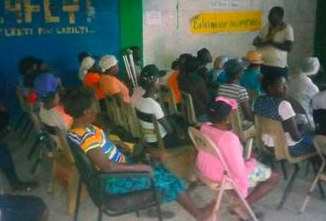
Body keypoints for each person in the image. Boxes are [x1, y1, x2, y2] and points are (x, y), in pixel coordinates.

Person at [63, 87, 216, 221]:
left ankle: (177, 200)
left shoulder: (77, 130)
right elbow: (108, 166)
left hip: (117, 168)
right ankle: (199, 215)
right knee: (167, 179)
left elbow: (99, 147)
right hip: (113, 181)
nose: (96, 109)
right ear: (86, 112)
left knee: (159, 167)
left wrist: (115, 144)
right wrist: (142, 167)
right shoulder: (86, 137)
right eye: (93, 106)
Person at [196, 97, 279, 220]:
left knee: (247, 159)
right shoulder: (228, 138)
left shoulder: (204, 127)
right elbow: (239, 173)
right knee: (275, 176)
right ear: (229, 117)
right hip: (221, 175)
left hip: (205, 169)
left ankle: (238, 203)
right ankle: (242, 206)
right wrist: (251, 162)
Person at [253, 73, 314, 156]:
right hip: (285, 148)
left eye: (286, 84)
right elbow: (296, 138)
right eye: (282, 86)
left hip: (265, 142)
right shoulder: (283, 105)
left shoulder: (258, 100)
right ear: (270, 88)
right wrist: (305, 128)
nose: (286, 87)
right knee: (315, 142)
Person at [133, 65, 189, 148]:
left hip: (147, 138)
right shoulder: (154, 105)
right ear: (154, 82)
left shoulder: (138, 100)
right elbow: (169, 131)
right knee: (187, 138)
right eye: (159, 80)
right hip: (159, 141)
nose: (161, 83)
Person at [253, 6, 294, 78]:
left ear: (280, 17)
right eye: (269, 14)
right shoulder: (266, 27)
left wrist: (271, 43)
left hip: (277, 66)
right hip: (263, 64)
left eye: (272, 15)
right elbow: (256, 41)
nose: (269, 17)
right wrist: (260, 43)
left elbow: (289, 47)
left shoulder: (287, 28)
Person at [217, 58, 254, 131]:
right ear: (238, 74)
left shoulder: (221, 88)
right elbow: (248, 116)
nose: (243, 72)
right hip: (239, 125)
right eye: (242, 71)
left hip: (225, 122)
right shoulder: (241, 91)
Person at [287, 57, 320, 130]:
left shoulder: (288, 80)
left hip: (286, 119)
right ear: (315, 72)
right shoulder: (313, 88)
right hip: (303, 122)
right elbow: (316, 109)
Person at [178, 56, 210, 122]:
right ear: (197, 67)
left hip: (186, 112)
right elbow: (207, 100)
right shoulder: (198, 80)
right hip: (200, 114)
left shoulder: (181, 79)